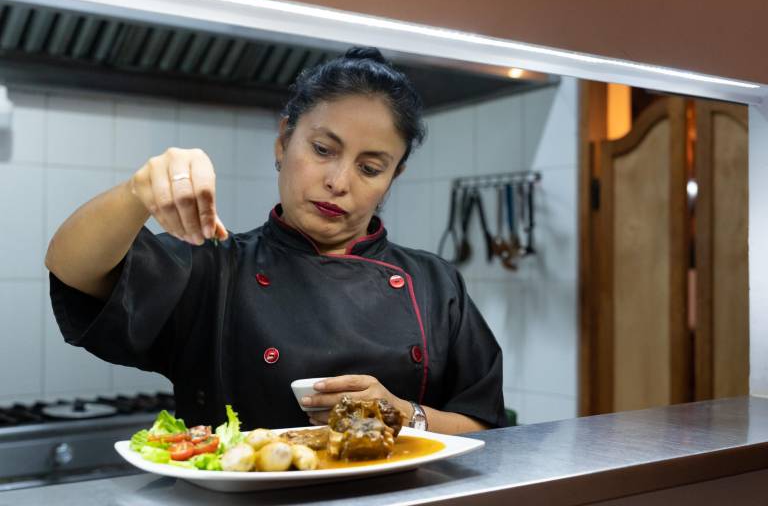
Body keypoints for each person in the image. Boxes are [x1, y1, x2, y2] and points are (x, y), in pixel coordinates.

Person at [45, 47, 506, 434]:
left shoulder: (433, 282)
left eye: (370, 168)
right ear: (284, 142)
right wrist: (136, 193)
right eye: (323, 150)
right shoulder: (216, 270)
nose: (339, 182)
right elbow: (72, 267)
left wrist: (406, 416)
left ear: (393, 177)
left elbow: (487, 426)